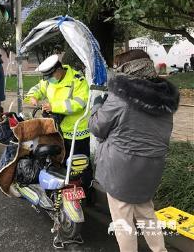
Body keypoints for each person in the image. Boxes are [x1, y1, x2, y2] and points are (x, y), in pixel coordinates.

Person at [89, 50, 179, 252]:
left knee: (123, 221)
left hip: (121, 169)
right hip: (151, 166)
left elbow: (97, 127)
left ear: (127, 69)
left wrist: (97, 107)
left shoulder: (120, 96)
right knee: (147, 212)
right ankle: (160, 250)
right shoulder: (165, 100)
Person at [24, 54, 92, 192]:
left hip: (76, 131)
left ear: (58, 70)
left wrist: (54, 106)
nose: (48, 80)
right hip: (56, 129)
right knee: (60, 162)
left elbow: (80, 103)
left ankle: (86, 192)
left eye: (50, 76)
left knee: (79, 165)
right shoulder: (49, 80)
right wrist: (32, 97)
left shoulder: (77, 80)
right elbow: (38, 88)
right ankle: (64, 194)